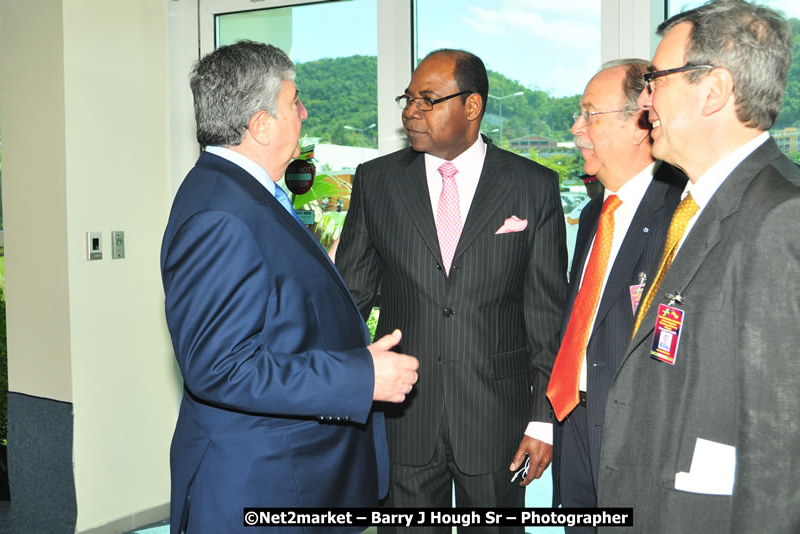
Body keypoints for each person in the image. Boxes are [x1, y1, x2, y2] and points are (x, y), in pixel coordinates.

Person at [160, 41, 419, 533]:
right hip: (263, 485)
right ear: (260, 125)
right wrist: (361, 377)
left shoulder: (246, 194)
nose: (303, 111)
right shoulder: (222, 214)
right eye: (294, 101)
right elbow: (221, 368)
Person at [335, 49, 567, 531]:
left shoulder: (533, 186)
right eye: (408, 98)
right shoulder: (376, 183)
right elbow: (349, 303)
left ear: (472, 106)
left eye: (428, 99)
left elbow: (547, 316)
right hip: (405, 423)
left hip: (495, 423)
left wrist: (542, 419)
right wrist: (339, 391)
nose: (410, 111)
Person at [598, 2, 800, 532]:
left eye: (655, 80)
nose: (645, 100)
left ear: (713, 90)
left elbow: (781, 451)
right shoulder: (693, 204)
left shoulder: (783, 218)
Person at [545, 59, 686, 533]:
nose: (575, 127)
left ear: (639, 123)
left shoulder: (680, 215)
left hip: (633, 439)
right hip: (575, 423)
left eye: (589, 114)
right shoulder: (593, 216)